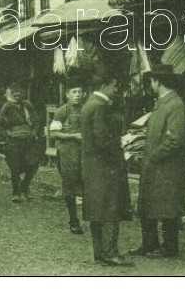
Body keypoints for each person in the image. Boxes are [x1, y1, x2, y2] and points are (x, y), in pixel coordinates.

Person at [131, 64, 185, 259]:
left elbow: (175, 139)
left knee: (167, 207)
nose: (151, 84)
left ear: (158, 81)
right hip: (154, 165)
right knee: (148, 205)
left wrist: (154, 155)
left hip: (166, 167)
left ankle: (170, 247)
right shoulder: (162, 103)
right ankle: (149, 244)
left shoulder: (175, 104)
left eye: (152, 81)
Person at [80, 74, 134, 267]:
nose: (116, 89)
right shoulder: (100, 107)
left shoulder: (89, 105)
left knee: (97, 211)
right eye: (114, 85)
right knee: (110, 210)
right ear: (104, 85)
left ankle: (99, 253)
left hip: (93, 167)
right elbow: (102, 140)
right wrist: (120, 147)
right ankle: (111, 253)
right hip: (106, 168)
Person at [50, 80, 85, 234]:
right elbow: (54, 133)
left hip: (84, 152)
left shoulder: (86, 109)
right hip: (67, 152)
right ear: (67, 94)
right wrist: (73, 136)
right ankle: (73, 220)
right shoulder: (62, 111)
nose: (77, 95)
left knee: (87, 183)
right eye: (74, 92)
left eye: (80, 92)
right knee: (70, 184)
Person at [0, 85, 40, 202]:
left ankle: (24, 186)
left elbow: (36, 120)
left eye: (19, 94)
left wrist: (34, 131)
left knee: (33, 164)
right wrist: (8, 134)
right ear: (10, 94)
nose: (17, 96)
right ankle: (16, 192)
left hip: (28, 139)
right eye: (14, 94)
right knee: (15, 167)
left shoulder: (27, 105)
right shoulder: (6, 107)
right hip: (14, 141)